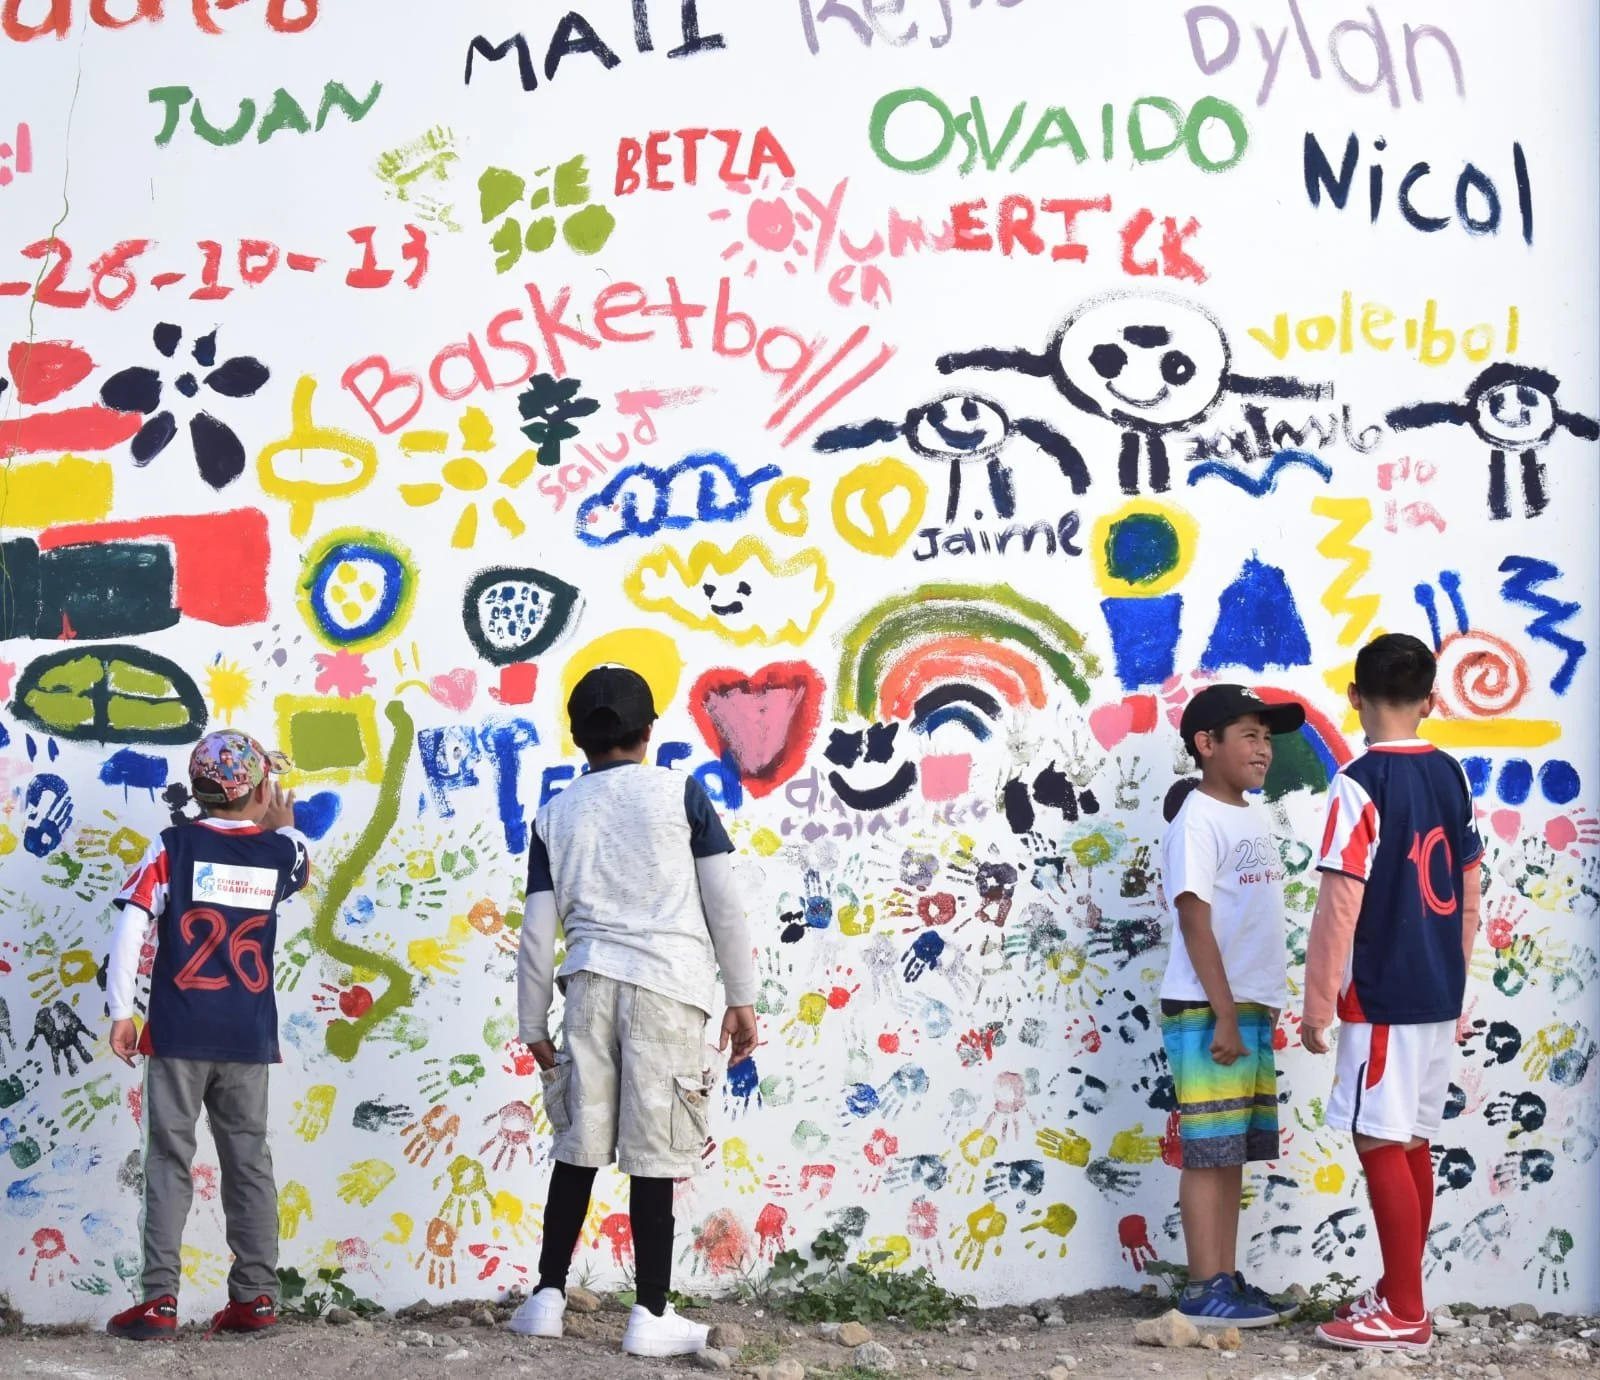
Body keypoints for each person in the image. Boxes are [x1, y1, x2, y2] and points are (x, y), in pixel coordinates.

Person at [514, 665, 758, 1358]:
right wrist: (740, 998)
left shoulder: (555, 815)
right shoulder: (681, 795)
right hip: (668, 989)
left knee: (579, 1146)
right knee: (654, 1154)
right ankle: (650, 1311)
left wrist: (533, 1024)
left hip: (588, 986)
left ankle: (547, 1297)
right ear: (649, 732)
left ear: (577, 738)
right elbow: (724, 906)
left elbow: (538, 931)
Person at [1303, 633, 1482, 1353]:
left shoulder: (1357, 782)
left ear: (1354, 696)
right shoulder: (1451, 772)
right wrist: (1457, 978)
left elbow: (1339, 901)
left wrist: (1319, 1002)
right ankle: (1401, 1289)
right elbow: (1469, 884)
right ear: (1431, 701)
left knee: (1378, 1136)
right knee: (1410, 1138)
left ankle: (1405, 1309)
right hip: (1438, 989)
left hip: (1383, 991)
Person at [104, 731, 310, 1341]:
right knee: (249, 1163)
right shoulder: (279, 854)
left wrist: (122, 1010)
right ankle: (257, 1300)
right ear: (259, 789)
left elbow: (132, 921)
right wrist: (285, 819)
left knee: (169, 1161)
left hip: (177, 1035)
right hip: (247, 1039)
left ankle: (159, 1302)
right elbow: (299, 853)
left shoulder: (173, 847)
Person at [1160, 684, 1305, 1328]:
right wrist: (1222, 1011)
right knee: (1205, 1151)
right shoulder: (1196, 818)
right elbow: (1196, 919)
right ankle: (1200, 1286)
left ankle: (1223, 1276)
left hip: (1246, 1008)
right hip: (1206, 1008)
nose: (1263, 749)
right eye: (1249, 735)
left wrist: (1260, 1006)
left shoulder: (1250, 814)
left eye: (1267, 737)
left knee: (1230, 1153)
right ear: (1206, 744)